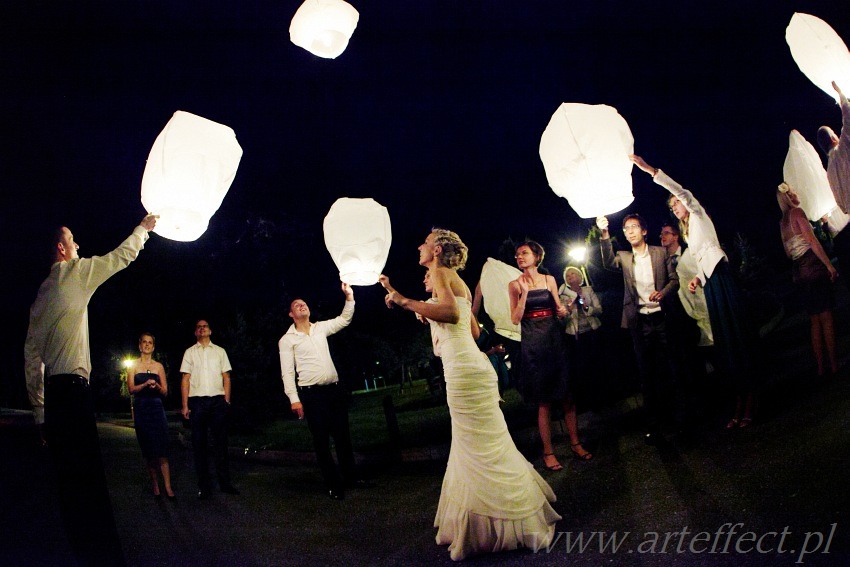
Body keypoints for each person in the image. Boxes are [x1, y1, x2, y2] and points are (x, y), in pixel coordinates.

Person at [380, 228, 560, 561]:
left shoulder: (439, 272)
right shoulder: (452, 278)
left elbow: (449, 314)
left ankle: (501, 522)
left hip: (464, 373)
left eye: (423, 242)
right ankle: (492, 521)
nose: (419, 246)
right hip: (469, 368)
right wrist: (426, 313)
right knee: (481, 445)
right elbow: (471, 328)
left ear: (436, 249)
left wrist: (405, 301)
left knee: (480, 446)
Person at [24, 214, 158, 567]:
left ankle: (80, 548)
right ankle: (102, 553)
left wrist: (39, 412)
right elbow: (120, 258)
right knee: (88, 477)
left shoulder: (39, 297)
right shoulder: (75, 272)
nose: (78, 245)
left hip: (53, 397)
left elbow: (31, 359)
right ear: (61, 248)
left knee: (68, 479)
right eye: (73, 240)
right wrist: (142, 230)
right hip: (72, 391)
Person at [630, 154, 757, 430]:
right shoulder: (689, 234)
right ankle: (739, 402)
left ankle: (747, 403)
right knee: (725, 344)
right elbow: (702, 259)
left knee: (733, 341)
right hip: (711, 284)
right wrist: (697, 279)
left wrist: (651, 170)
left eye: (677, 204)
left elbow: (684, 193)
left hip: (722, 282)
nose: (676, 207)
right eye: (672, 206)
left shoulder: (699, 215)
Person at [279, 283, 369, 501]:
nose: (302, 305)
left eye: (304, 303)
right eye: (296, 305)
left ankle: (351, 477)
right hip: (312, 396)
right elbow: (287, 372)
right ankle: (333, 483)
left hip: (334, 392)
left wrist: (349, 297)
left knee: (342, 436)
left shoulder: (320, 328)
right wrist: (294, 400)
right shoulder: (287, 340)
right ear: (291, 314)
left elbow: (344, 319)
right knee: (321, 441)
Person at [597, 213, 680, 444]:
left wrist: (662, 293)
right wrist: (604, 234)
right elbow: (606, 262)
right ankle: (654, 424)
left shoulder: (660, 252)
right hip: (639, 321)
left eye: (634, 227)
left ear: (644, 231)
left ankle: (678, 419)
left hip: (662, 317)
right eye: (626, 228)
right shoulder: (623, 257)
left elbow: (674, 280)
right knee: (646, 373)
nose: (630, 231)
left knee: (671, 367)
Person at [509, 240, 591, 470]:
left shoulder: (549, 280)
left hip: (554, 339)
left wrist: (563, 310)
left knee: (566, 395)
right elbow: (515, 319)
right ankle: (548, 452)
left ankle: (576, 443)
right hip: (533, 344)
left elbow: (558, 309)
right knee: (543, 401)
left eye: (524, 253)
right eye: (517, 255)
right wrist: (524, 295)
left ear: (537, 256)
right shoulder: (514, 284)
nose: (519, 257)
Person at [778, 183, 839, 375]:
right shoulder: (797, 213)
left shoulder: (783, 222)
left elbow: (788, 253)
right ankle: (834, 364)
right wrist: (829, 265)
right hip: (813, 267)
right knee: (827, 317)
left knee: (814, 320)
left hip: (800, 271)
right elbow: (811, 241)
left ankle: (820, 367)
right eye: (793, 191)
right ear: (789, 196)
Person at [180, 319, 239, 499]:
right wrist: (185, 405)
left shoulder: (220, 351)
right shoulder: (190, 352)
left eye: (205, 326)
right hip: (197, 402)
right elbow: (185, 379)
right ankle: (204, 487)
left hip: (217, 402)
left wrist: (226, 400)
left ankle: (225, 483)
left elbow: (226, 377)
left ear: (210, 331)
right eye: (199, 327)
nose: (202, 328)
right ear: (195, 332)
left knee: (221, 443)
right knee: (200, 445)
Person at [128, 332, 175, 499]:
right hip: (141, 408)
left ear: (153, 347)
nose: (147, 345)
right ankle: (155, 484)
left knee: (162, 446)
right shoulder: (133, 366)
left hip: (156, 406)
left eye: (150, 343)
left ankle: (168, 487)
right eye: (144, 342)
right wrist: (145, 384)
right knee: (148, 448)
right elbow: (131, 389)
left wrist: (156, 386)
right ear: (140, 346)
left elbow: (165, 392)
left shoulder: (158, 366)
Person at [558, 266, 603, 408]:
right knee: (583, 367)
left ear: (579, 276)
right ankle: (588, 399)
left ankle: (602, 395)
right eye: (568, 276)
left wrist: (586, 306)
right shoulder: (563, 296)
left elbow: (599, 309)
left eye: (573, 274)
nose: (571, 277)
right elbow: (562, 320)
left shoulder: (588, 290)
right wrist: (569, 309)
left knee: (597, 363)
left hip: (592, 331)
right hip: (576, 336)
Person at [817, 81, 850, 214]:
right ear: (833, 138)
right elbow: (848, 118)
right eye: (834, 133)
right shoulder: (842, 149)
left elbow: (841, 205)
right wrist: (841, 94)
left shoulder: (829, 173)